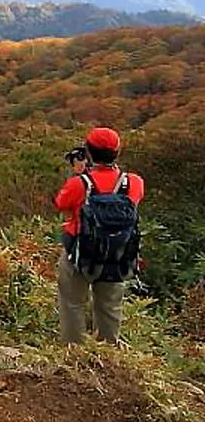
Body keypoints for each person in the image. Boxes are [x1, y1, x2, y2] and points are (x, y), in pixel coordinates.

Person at [53, 127, 145, 344]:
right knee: (110, 307)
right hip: (117, 255)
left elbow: (61, 204)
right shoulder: (133, 182)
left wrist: (79, 174)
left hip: (79, 253)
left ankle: (73, 355)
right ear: (117, 152)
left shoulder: (79, 184)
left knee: (73, 303)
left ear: (88, 152)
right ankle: (108, 355)